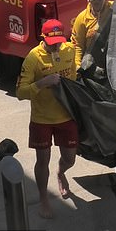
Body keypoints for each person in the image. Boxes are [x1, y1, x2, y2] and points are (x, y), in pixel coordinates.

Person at [16, 19, 78, 219]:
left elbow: (74, 76)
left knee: (70, 158)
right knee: (42, 160)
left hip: (65, 116)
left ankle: (61, 173)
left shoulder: (68, 50)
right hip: (42, 118)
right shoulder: (33, 58)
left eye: (59, 42)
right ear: (43, 38)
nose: (57, 46)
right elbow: (20, 92)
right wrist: (41, 83)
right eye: (53, 43)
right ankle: (43, 198)